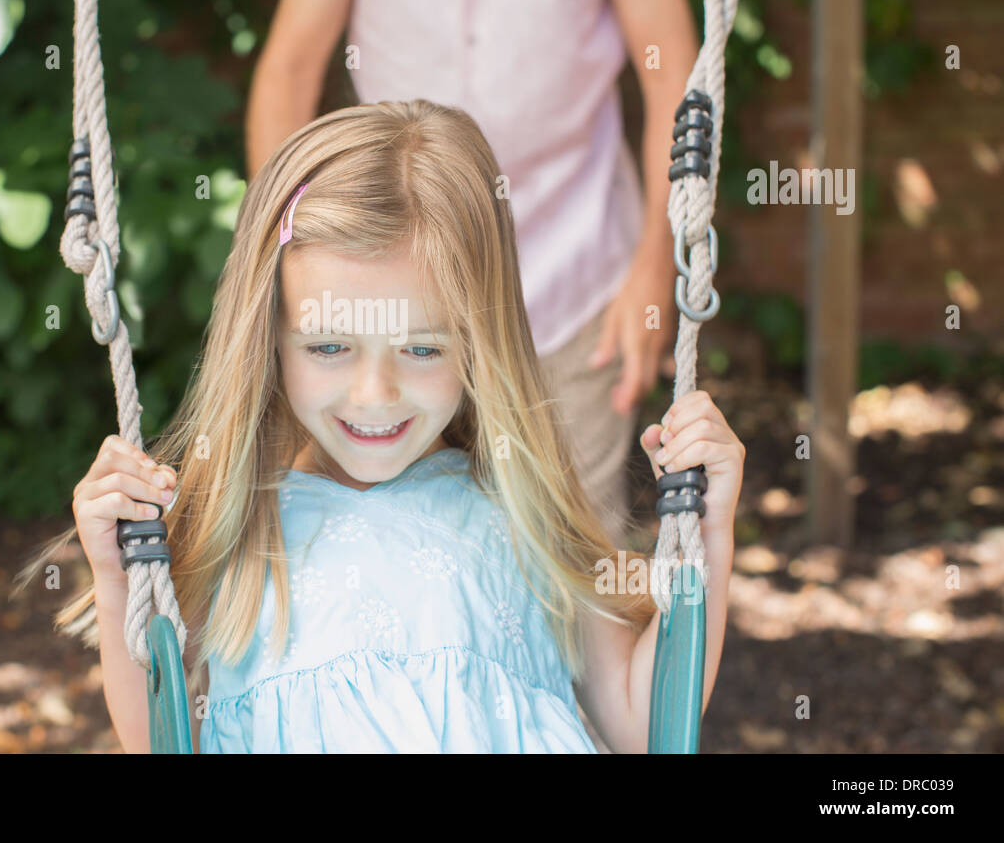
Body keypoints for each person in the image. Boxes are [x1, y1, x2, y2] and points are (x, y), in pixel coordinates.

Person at [39, 100, 742, 753]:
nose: (375, 395)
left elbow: (649, 723)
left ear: (478, 343)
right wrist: (115, 572)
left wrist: (708, 529)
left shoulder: (522, 519)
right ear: (270, 341)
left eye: (422, 348)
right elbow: (160, 740)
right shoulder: (238, 530)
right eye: (328, 347)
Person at [245, 0, 701, 553]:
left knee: (573, 558)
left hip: (571, 285)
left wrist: (655, 266)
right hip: (394, 297)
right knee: (388, 546)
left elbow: (674, 79)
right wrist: (286, 263)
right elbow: (287, 74)